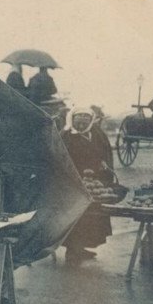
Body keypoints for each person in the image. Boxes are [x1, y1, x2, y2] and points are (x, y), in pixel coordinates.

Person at [61, 107, 114, 262]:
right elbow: (59, 160)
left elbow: (105, 153)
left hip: (94, 183)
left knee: (92, 217)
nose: (82, 120)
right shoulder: (66, 136)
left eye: (86, 116)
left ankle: (81, 247)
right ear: (72, 118)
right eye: (79, 116)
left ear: (91, 119)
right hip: (73, 184)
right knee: (76, 217)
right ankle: (72, 250)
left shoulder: (97, 134)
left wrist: (104, 167)